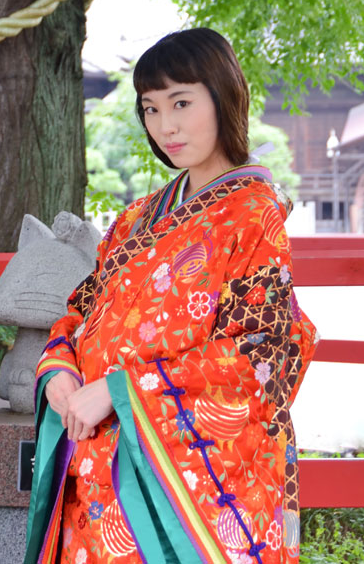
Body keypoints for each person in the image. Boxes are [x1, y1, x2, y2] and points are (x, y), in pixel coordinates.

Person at [23, 28, 317, 564]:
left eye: (181, 102)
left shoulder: (254, 214)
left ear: (224, 94)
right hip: (97, 460)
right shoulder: (137, 216)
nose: (166, 127)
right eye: (151, 109)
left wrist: (124, 391)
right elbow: (83, 307)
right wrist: (60, 369)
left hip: (176, 477)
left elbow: (262, 352)